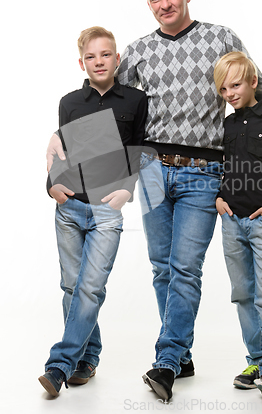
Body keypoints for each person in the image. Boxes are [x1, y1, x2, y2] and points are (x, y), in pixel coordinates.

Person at [46, 0, 262, 402]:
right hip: (150, 171)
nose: (165, 4)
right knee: (162, 267)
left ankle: (166, 361)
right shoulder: (139, 50)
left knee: (186, 268)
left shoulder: (221, 38)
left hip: (204, 172)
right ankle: (181, 354)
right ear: (148, 3)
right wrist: (62, 133)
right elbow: (107, 98)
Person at [39, 26, 148, 397]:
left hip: (105, 210)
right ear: (81, 62)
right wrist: (52, 186)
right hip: (70, 209)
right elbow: (61, 152)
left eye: (106, 55)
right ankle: (88, 357)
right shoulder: (70, 102)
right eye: (91, 56)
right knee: (72, 286)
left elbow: (139, 148)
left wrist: (126, 190)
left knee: (90, 287)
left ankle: (59, 366)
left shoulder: (135, 100)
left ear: (117, 59)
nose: (98, 62)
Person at [214, 51, 262, 407]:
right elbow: (222, 165)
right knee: (243, 295)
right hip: (231, 222)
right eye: (223, 88)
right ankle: (257, 363)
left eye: (235, 85)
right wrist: (219, 197)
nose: (229, 93)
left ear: (253, 82)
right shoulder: (227, 126)